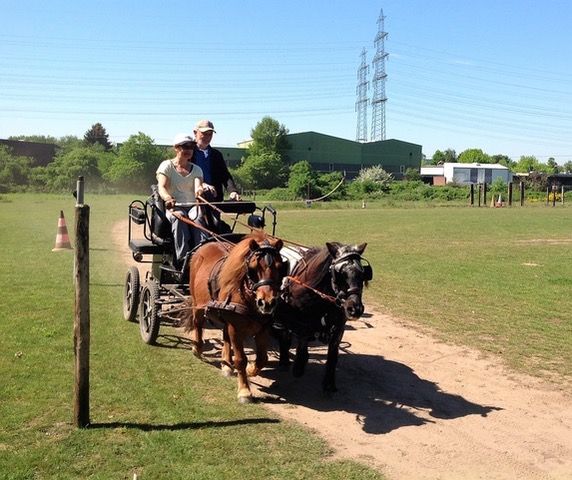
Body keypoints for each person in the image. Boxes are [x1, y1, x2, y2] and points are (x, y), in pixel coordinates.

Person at [156, 133, 207, 268]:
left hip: (191, 205)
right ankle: (183, 260)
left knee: (198, 216)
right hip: (174, 206)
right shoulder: (167, 166)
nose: (189, 150)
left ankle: (202, 255)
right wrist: (167, 198)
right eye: (185, 146)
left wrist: (199, 191)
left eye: (191, 146)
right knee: (179, 217)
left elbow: (197, 186)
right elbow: (161, 187)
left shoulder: (196, 169)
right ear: (176, 148)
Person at [193, 119, 242, 202]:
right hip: (192, 199)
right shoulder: (187, 152)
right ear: (195, 133)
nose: (208, 137)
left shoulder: (216, 155)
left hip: (214, 200)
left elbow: (225, 176)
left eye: (210, 134)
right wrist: (201, 184)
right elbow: (182, 174)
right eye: (204, 134)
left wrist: (233, 191)